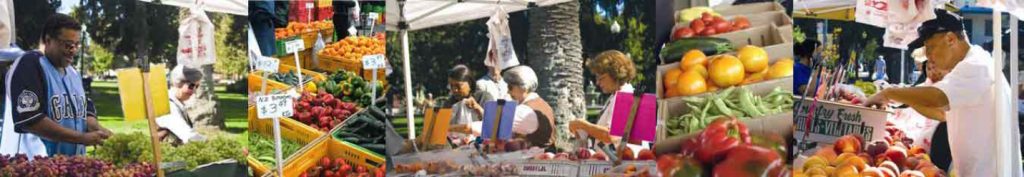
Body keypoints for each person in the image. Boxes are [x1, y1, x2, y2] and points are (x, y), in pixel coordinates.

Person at [862, 10, 1022, 177]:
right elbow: (941, 113)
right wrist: (901, 101)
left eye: (930, 48)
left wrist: (889, 93)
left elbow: (938, 97)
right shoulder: (970, 65)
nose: (929, 57)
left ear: (951, 39)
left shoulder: (976, 65)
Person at [4, 14, 110, 156]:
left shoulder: (73, 73)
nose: (73, 50)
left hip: (72, 166)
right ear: (48, 40)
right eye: (68, 44)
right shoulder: (30, 64)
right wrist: (81, 138)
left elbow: (85, 106)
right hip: (37, 167)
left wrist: (95, 127)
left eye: (77, 45)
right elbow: (32, 121)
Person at [570, 50, 637, 145]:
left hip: (626, 158)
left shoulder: (625, 96)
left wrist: (583, 125)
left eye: (601, 78)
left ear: (615, 74)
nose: (597, 82)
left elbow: (611, 135)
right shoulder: (618, 95)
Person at [502, 65, 555, 148]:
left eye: (510, 87)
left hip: (537, 158)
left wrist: (473, 127)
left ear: (524, 88)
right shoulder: (541, 103)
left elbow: (496, 125)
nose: (508, 91)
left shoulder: (526, 110)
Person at [155, 65, 205, 145]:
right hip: (168, 155)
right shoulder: (168, 106)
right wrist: (211, 143)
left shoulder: (177, 103)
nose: (194, 90)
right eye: (191, 86)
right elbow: (188, 135)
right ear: (178, 83)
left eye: (197, 86)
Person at [447, 65, 483, 143]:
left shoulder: (483, 97)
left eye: (458, 86)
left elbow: (493, 123)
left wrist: (477, 108)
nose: (454, 90)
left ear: (469, 84)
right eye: (451, 86)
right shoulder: (449, 103)